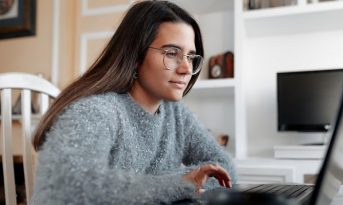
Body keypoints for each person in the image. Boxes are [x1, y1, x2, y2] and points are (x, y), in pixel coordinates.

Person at [31, 1, 237, 204]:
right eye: (172, 53)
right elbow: (70, 187)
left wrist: (183, 183)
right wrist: (180, 183)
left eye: (191, 57)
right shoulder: (95, 111)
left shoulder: (177, 114)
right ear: (136, 55)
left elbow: (225, 170)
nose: (186, 68)